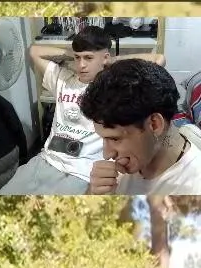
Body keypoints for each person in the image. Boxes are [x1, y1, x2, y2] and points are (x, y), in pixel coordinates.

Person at [0, 27, 138, 195]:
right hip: (47, 160)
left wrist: (112, 61)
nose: (81, 65)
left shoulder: (112, 87)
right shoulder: (62, 79)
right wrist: (70, 53)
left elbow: (158, 60)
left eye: (88, 58)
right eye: (77, 58)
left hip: (80, 171)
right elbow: (34, 51)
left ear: (105, 57)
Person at [81, 59, 201, 195]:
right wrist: (93, 193)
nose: (107, 154)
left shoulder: (194, 187)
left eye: (115, 139)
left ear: (154, 125)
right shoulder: (125, 167)